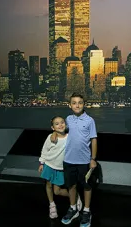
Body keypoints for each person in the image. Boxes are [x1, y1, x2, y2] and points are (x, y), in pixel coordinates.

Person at [51, 93, 97, 227]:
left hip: (84, 161)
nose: (77, 105)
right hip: (68, 160)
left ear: (84, 104)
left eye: (80, 102)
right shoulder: (68, 119)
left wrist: (93, 159)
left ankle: (87, 211)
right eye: (74, 103)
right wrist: (54, 133)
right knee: (71, 185)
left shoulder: (90, 120)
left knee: (86, 186)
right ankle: (73, 208)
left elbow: (94, 140)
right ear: (70, 105)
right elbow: (61, 130)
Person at [38, 116, 82, 219]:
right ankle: (52, 205)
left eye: (62, 122)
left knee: (57, 191)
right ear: (53, 127)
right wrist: (41, 163)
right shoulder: (51, 137)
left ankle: (75, 196)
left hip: (60, 168)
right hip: (48, 165)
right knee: (48, 185)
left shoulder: (70, 137)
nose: (60, 125)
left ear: (65, 124)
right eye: (56, 124)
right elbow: (45, 150)